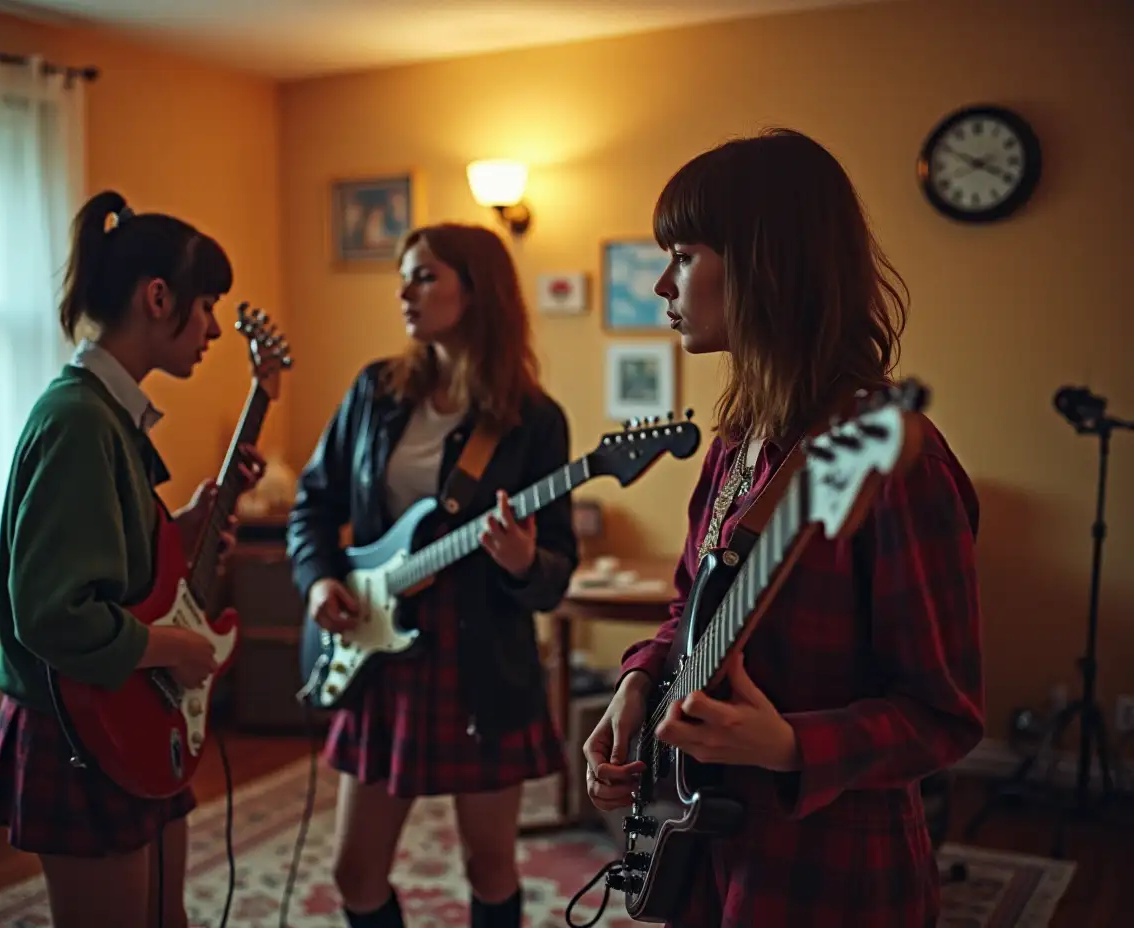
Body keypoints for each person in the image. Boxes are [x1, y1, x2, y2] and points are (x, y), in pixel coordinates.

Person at [583, 129, 985, 928]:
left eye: (686, 255)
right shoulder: (737, 442)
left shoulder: (893, 459)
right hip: (708, 851)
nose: (663, 283)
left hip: (831, 870)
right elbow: (688, 609)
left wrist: (789, 746)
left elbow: (946, 715)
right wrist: (634, 683)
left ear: (767, 266)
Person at [0, 190, 266, 928]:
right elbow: (52, 610)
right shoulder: (78, 419)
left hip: (123, 712)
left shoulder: (107, 415)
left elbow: (103, 557)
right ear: (157, 296)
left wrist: (182, 525)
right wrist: (176, 645)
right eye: (205, 307)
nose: (211, 330)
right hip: (79, 723)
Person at [287, 222, 578, 928]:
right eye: (404, 274)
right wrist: (321, 581)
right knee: (355, 872)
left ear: (476, 290)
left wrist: (522, 563)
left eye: (424, 275)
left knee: (489, 865)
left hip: (479, 661)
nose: (404, 291)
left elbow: (555, 571)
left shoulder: (533, 421)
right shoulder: (375, 392)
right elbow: (314, 505)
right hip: (379, 648)